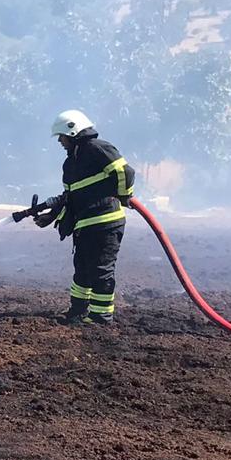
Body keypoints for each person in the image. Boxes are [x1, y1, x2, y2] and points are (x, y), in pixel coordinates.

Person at [29, 109, 136, 326]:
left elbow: (125, 172)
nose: (60, 141)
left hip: (106, 223)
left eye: (61, 136)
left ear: (73, 130)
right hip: (85, 225)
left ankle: (100, 317)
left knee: (101, 271)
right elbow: (71, 196)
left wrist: (124, 196)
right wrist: (51, 216)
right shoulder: (71, 163)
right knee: (82, 269)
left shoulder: (98, 148)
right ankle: (78, 311)